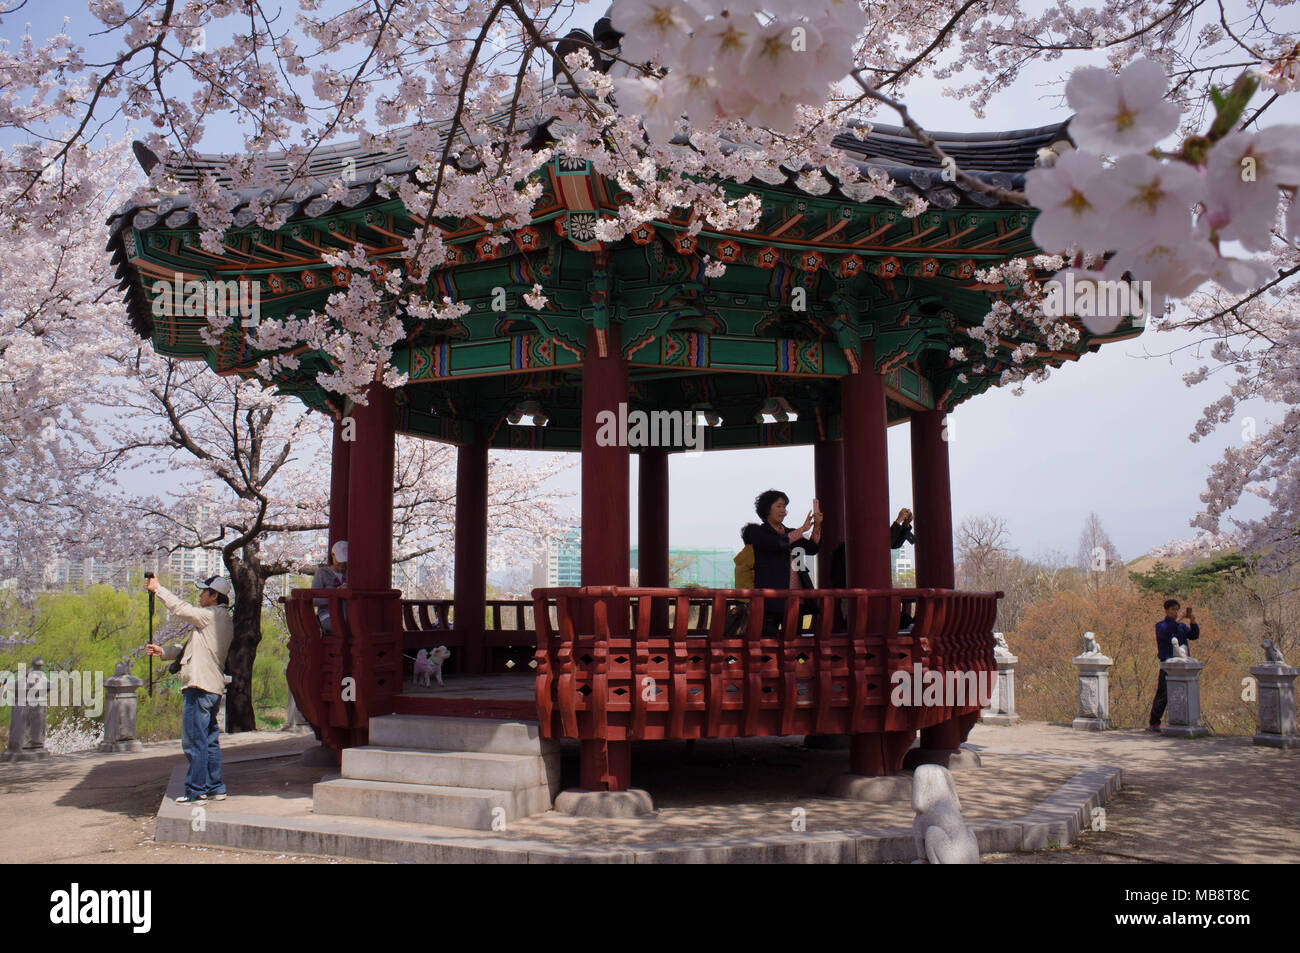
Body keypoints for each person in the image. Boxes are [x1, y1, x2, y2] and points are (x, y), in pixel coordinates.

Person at [144, 575, 234, 803]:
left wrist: (159, 589)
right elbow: (191, 649)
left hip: (199, 685)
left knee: (195, 741)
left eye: (205, 592)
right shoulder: (219, 619)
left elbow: (180, 609)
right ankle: (215, 787)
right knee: (209, 739)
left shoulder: (210, 616)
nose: (201, 595)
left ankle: (195, 790)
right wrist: (163, 652)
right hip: (212, 687)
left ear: (214, 596)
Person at [741, 489, 821, 635]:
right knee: (765, 645)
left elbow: (812, 548)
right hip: (769, 601)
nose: (783, 510)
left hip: (796, 600)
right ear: (767, 509)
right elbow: (776, 543)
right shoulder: (756, 532)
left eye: (784, 507)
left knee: (794, 645)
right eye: (779, 506)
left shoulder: (791, 533)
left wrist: (816, 526)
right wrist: (802, 530)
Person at [830, 507, 917, 627]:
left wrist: (904, 526)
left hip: (877, 601)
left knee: (904, 619)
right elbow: (883, 544)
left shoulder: (854, 548)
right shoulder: (844, 551)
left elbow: (891, 544)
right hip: (856, 604)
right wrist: (898, 521)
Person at [1148, 599, 1199, 732]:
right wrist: (1178, 620)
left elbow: (1194, 636)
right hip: (1168, 664)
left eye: (1177, 609)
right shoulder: (1161, 625)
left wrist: (1193, 622)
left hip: (1182, 664)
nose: (1175, 612)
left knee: (1183, 693)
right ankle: (1154, 722)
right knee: (1163, 694)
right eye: (1173, 609)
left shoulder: (1181, 627)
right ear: (1166, 610)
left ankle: (1183, 720)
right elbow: (1164, 633)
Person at [312, 540, 348, 635]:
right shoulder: (322, 573)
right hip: (328, 615)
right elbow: (314, 600)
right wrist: (336, 594)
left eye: (345, 562)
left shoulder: (349, 574)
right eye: (340, 561)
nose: (342, 564)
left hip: (348, 613)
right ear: (333, 555)